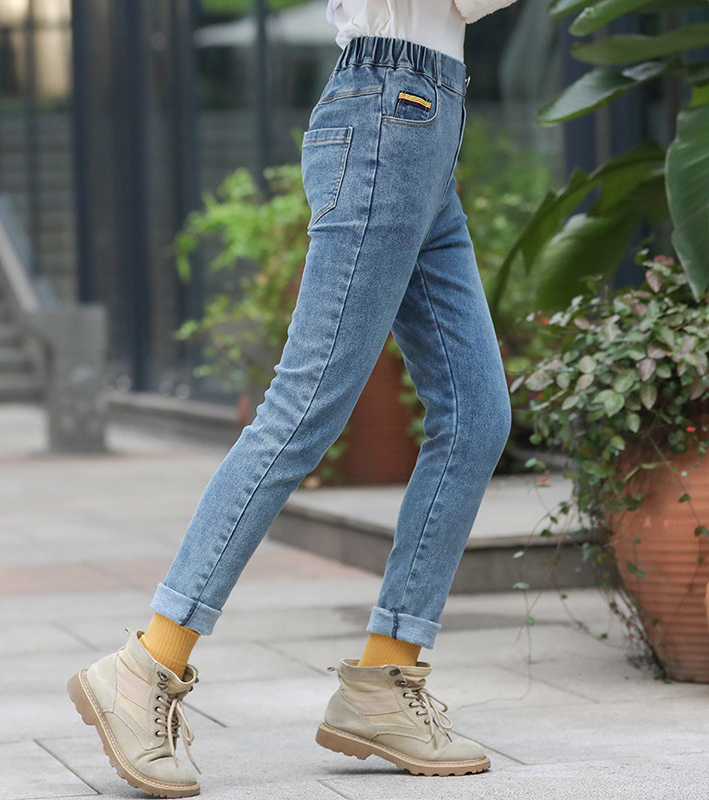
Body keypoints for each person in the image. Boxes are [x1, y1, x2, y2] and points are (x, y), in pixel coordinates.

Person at [67, 0, 516, 796]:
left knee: (477, 413)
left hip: (426, 119)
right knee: (302, 409)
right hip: (390, 112)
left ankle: (384, 680)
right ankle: (147, 664)